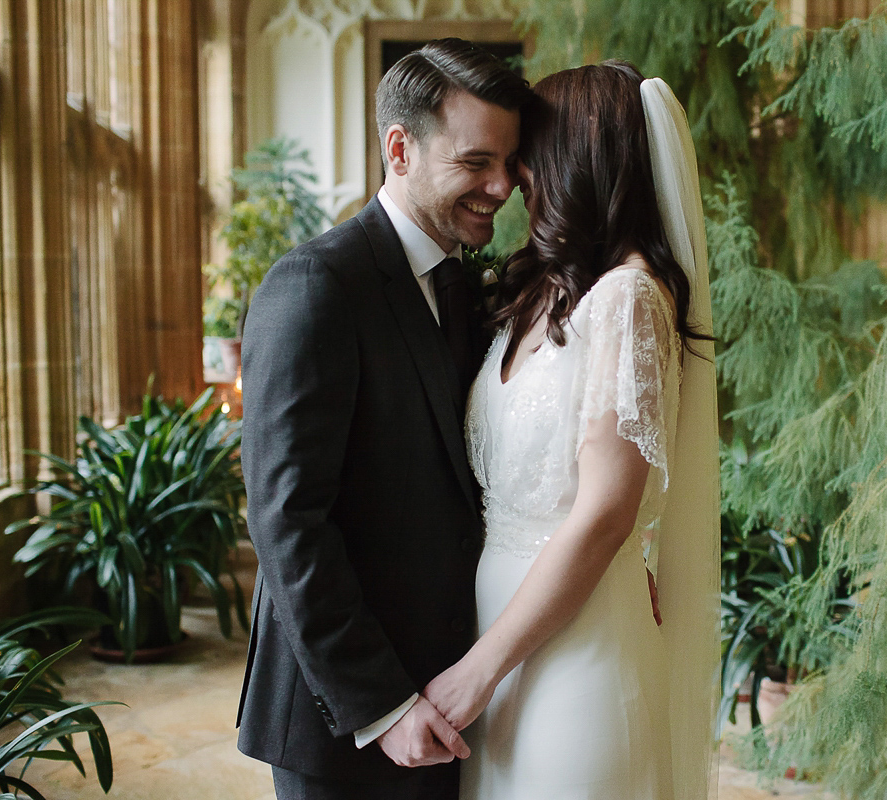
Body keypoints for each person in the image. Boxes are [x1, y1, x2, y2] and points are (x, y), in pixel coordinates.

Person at [235, 39, 531, 800]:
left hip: (448, 697)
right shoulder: (316, 287)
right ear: (400, 149)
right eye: (475, 163)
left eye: (508, 163)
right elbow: (288, 523)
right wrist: (384, 705)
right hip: (345, 720)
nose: (502, 187)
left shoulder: (461, 287)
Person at [422, 62, 721, 799]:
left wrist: (476, 672)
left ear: (578, 155)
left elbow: (601, 514)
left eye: (528, 150)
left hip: (577, 654)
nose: (512, 175)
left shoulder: (627, 298)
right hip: (501, 634)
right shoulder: (543, 291)